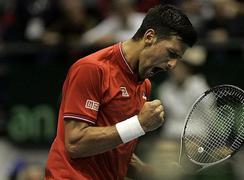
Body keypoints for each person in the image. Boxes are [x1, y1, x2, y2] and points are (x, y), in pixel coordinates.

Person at [45, 4, 197, 180]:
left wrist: (152, 173)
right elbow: (75, 143)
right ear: (150, 37)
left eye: (178, 58)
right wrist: (139, 124)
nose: (172, 65)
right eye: (171, 53)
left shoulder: (144, 85)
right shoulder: (92, 69)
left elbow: (115, 153)